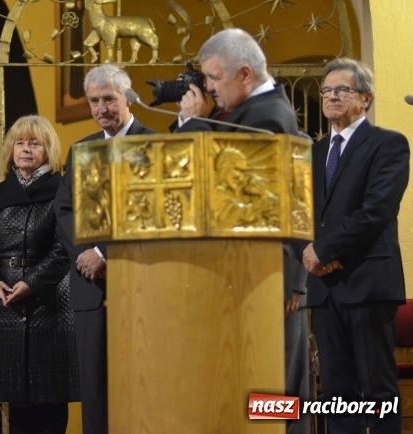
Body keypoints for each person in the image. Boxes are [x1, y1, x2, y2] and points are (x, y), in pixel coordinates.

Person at [175, 28, 309, 434]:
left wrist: (193, 123)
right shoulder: (247, 111)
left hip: (266, 274)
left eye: (214, 78)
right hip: (247, 272)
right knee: (252, 384)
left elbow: (229, 190)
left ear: (245, 74)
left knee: (272, 386)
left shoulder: (266, 118)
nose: (208, 87)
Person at [300, 58, 409, 433]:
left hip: (367, 282)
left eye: (342, 90)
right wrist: (311, 255)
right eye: (326, 90)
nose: (331, 96)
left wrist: (326, 251)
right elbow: (303, 214)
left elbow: (376, 210)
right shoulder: (315, 152)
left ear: (366, 98)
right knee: (336, 390)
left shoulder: (388, 144)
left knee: (377, 389)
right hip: (325, 287)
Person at [53, 64, 156, 434]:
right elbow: (64, 209)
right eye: (94, 101)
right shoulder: (81, 149)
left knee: (143, 388)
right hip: (90, 289)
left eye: (109, 99)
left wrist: (105, 253)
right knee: (95, 395)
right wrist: (87, 255)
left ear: (128, 99)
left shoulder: (154, 146)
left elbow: (154, 212)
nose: (101, 108)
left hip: (141, 285)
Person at [0, 115, 79, 434]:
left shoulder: (62, 188)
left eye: (35, 143)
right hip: (4, 306)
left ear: (48, 149)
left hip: (49, 306)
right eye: (19, 143)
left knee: (49, 401)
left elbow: (64, 247)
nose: (26, 149)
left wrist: (31, 284)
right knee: (16, 406)